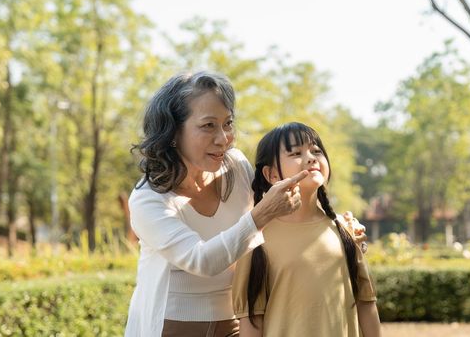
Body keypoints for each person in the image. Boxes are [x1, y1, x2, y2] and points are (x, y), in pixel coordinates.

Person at [124, 71, 365, 337]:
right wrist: (260, 215)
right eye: (208, 126)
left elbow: (285, 219)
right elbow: (201, 260)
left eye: (227, 124)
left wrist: (338, 236)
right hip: (171, 326)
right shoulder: (149, 198)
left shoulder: (235, 165)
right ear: (172, 132)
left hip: (237, 323)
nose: (223, 138)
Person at [232, 122, 381, 337]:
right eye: (295, 153)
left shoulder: (346, 230)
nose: (311, 157)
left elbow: (366, 303)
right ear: (271, 174)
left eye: (316, 150)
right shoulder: (255, 238)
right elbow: (252, 320)